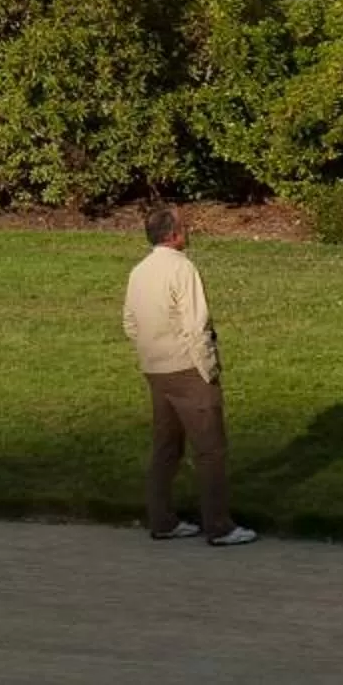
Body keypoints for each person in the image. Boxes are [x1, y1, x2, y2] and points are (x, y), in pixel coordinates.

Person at [122, 204, 253, 545]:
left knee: (166, 447)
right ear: (174, 234)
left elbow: (130, 323)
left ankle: (162, 520)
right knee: (210, 450)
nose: (189, 230)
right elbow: (196, 325)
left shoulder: (139, 271)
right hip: (187, 369)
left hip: (155, 369)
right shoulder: (183, 269)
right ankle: (219, 526)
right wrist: (208, 368)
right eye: (185, 226)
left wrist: (151, 351)